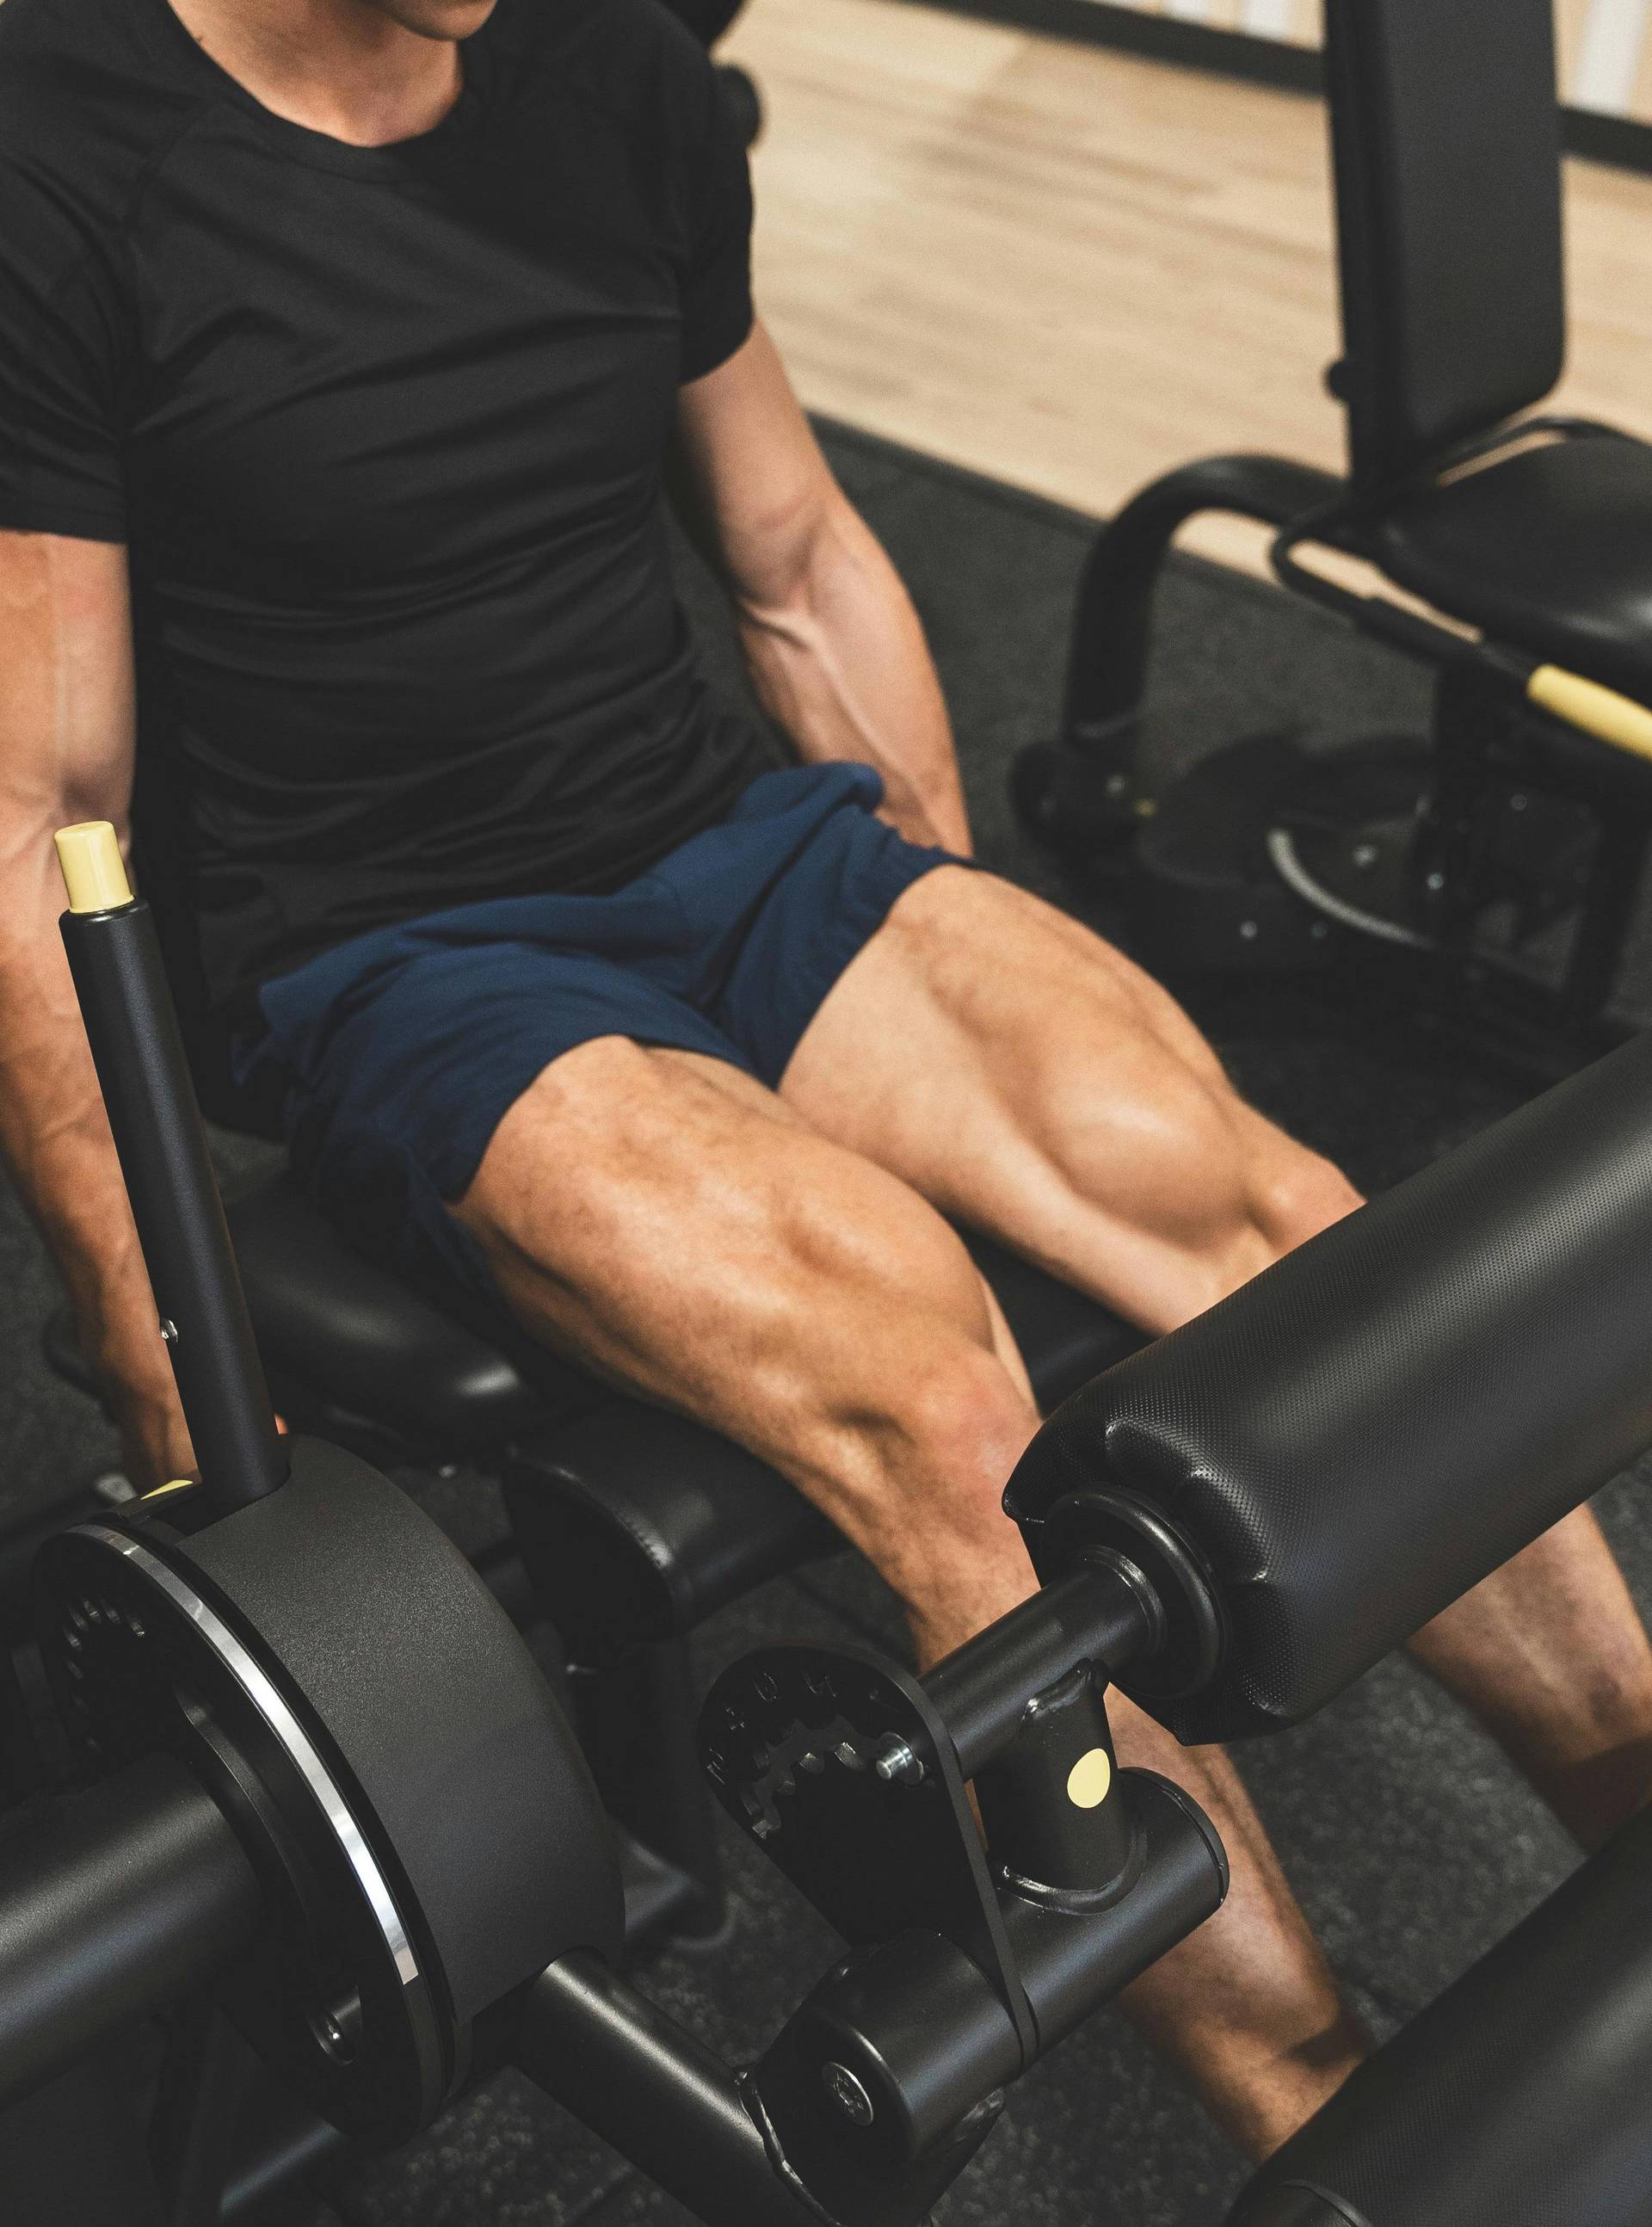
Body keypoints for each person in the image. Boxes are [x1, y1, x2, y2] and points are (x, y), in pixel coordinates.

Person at [2, 0, 1649, 2163]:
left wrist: (935, 923)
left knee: (1260, 1208)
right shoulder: (59, 145)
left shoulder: (614, 74)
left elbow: (789, 559)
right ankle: (1319, 2119)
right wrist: (149, 1313)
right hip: (402, 958)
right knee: (935, 1392)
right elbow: (41, 802)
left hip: (724, 841)